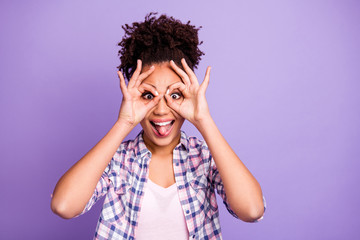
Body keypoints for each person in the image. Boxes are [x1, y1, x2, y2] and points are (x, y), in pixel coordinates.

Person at [51, 12, 266, 240]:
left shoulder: (204, 158)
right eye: (147, 95)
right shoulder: (118, 162)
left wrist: (204, 120)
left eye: (175, 94)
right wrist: (124, 122)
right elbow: (64, 206)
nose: (161, 109)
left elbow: (252, 211)